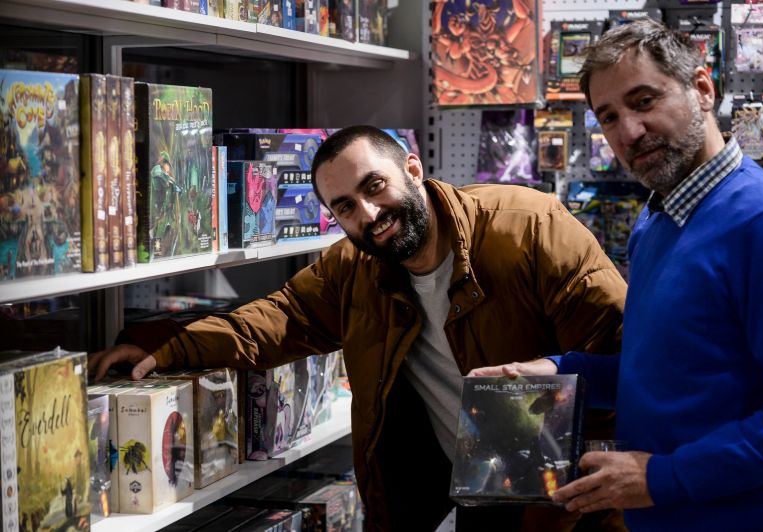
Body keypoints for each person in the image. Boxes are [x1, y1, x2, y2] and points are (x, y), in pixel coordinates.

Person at [89, 125, 627, 531]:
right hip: (476, 492)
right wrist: (166, 347)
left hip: (577, 497)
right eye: (346, 207)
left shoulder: (528, 227)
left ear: (413, 168)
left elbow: (621, 351)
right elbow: (276, 320)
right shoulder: (354, 269)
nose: (369, 214)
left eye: (375, 187)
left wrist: (595, 484)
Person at [472, 18, 763, 531]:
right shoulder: (658, 218)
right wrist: (559, 371)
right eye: (608, 116)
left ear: (703, 89)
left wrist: (662, 478)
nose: (628, 132)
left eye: (644, 101)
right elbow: (669, 371)